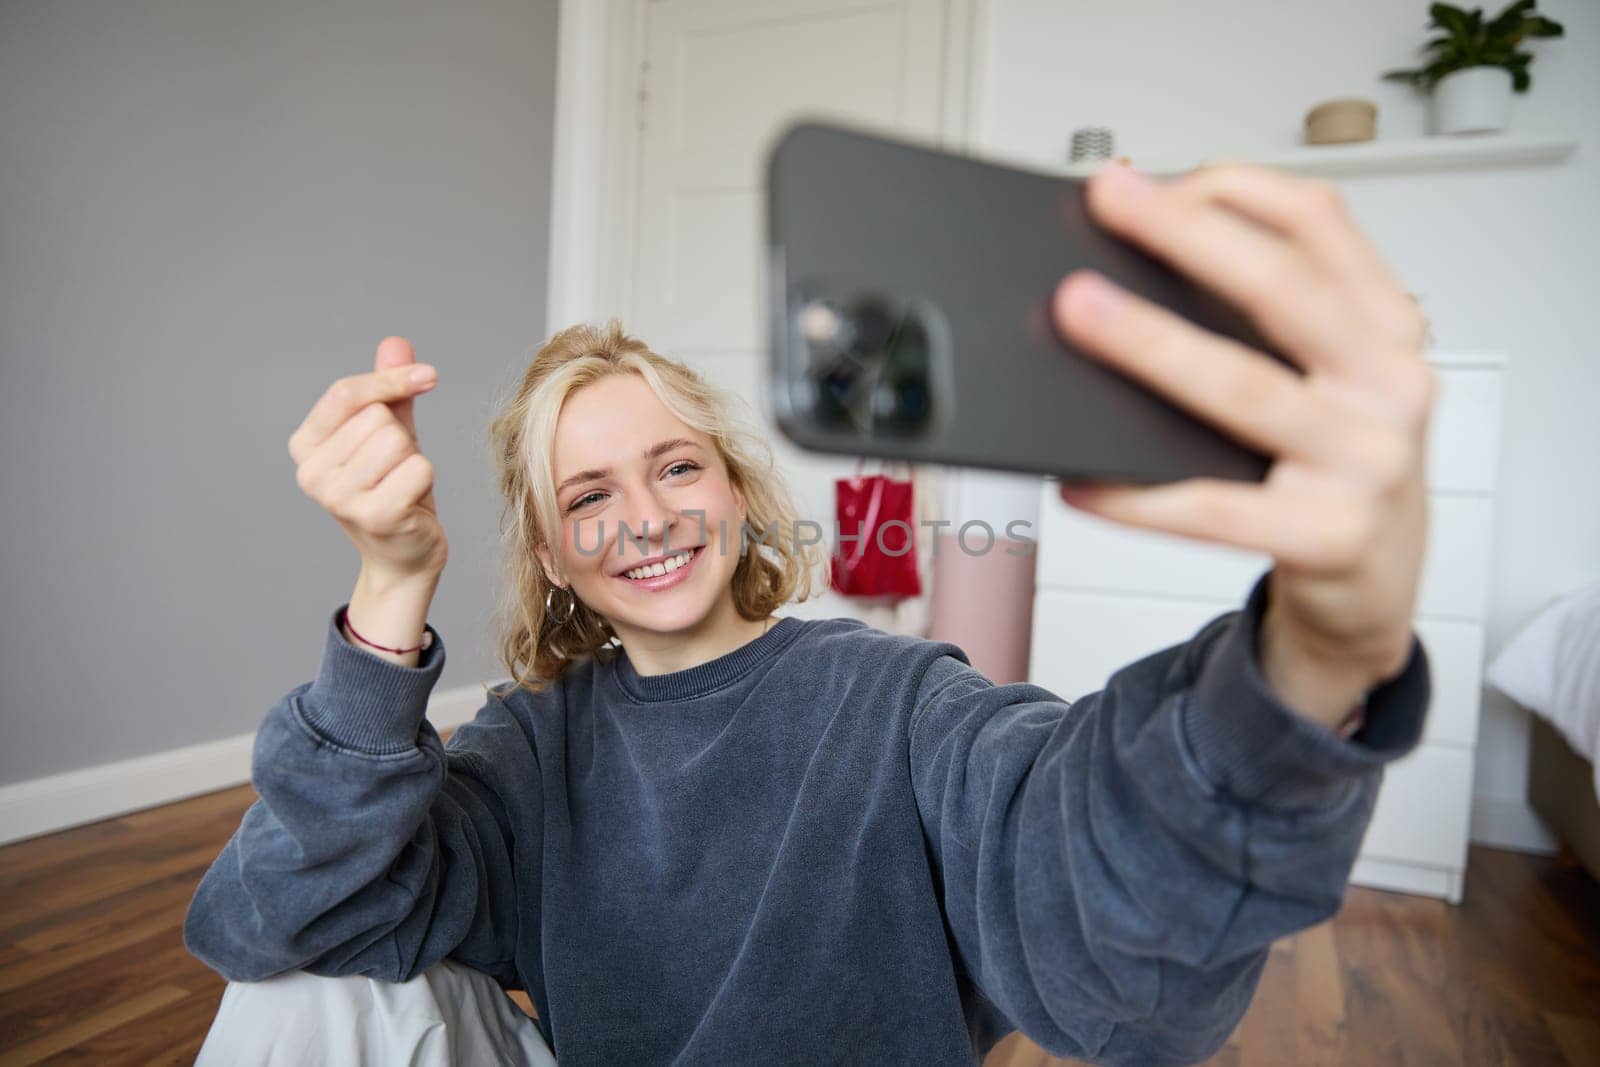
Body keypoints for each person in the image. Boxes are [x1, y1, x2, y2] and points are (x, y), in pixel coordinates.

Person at [184, 161, 1435, 1066]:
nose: (647, 515)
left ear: (733, 490)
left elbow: (1107, 936)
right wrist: (392, 584)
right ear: (555, 556)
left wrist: (1314, 654)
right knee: (294, 993)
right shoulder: (529, 745)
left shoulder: (892, 699)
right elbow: (274, 915)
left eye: (677, 466)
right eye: (589, 492)